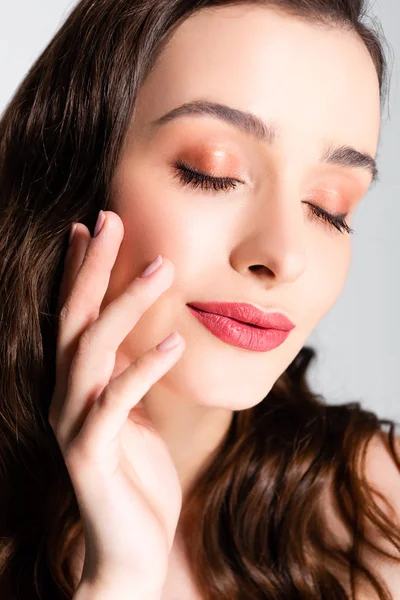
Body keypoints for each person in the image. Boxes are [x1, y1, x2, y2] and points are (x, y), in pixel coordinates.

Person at [0, 0, 399, 598]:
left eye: (329, 208)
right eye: (210, 172)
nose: (283, 255)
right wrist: (120, 579)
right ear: (75, 172)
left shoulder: (379, 506)